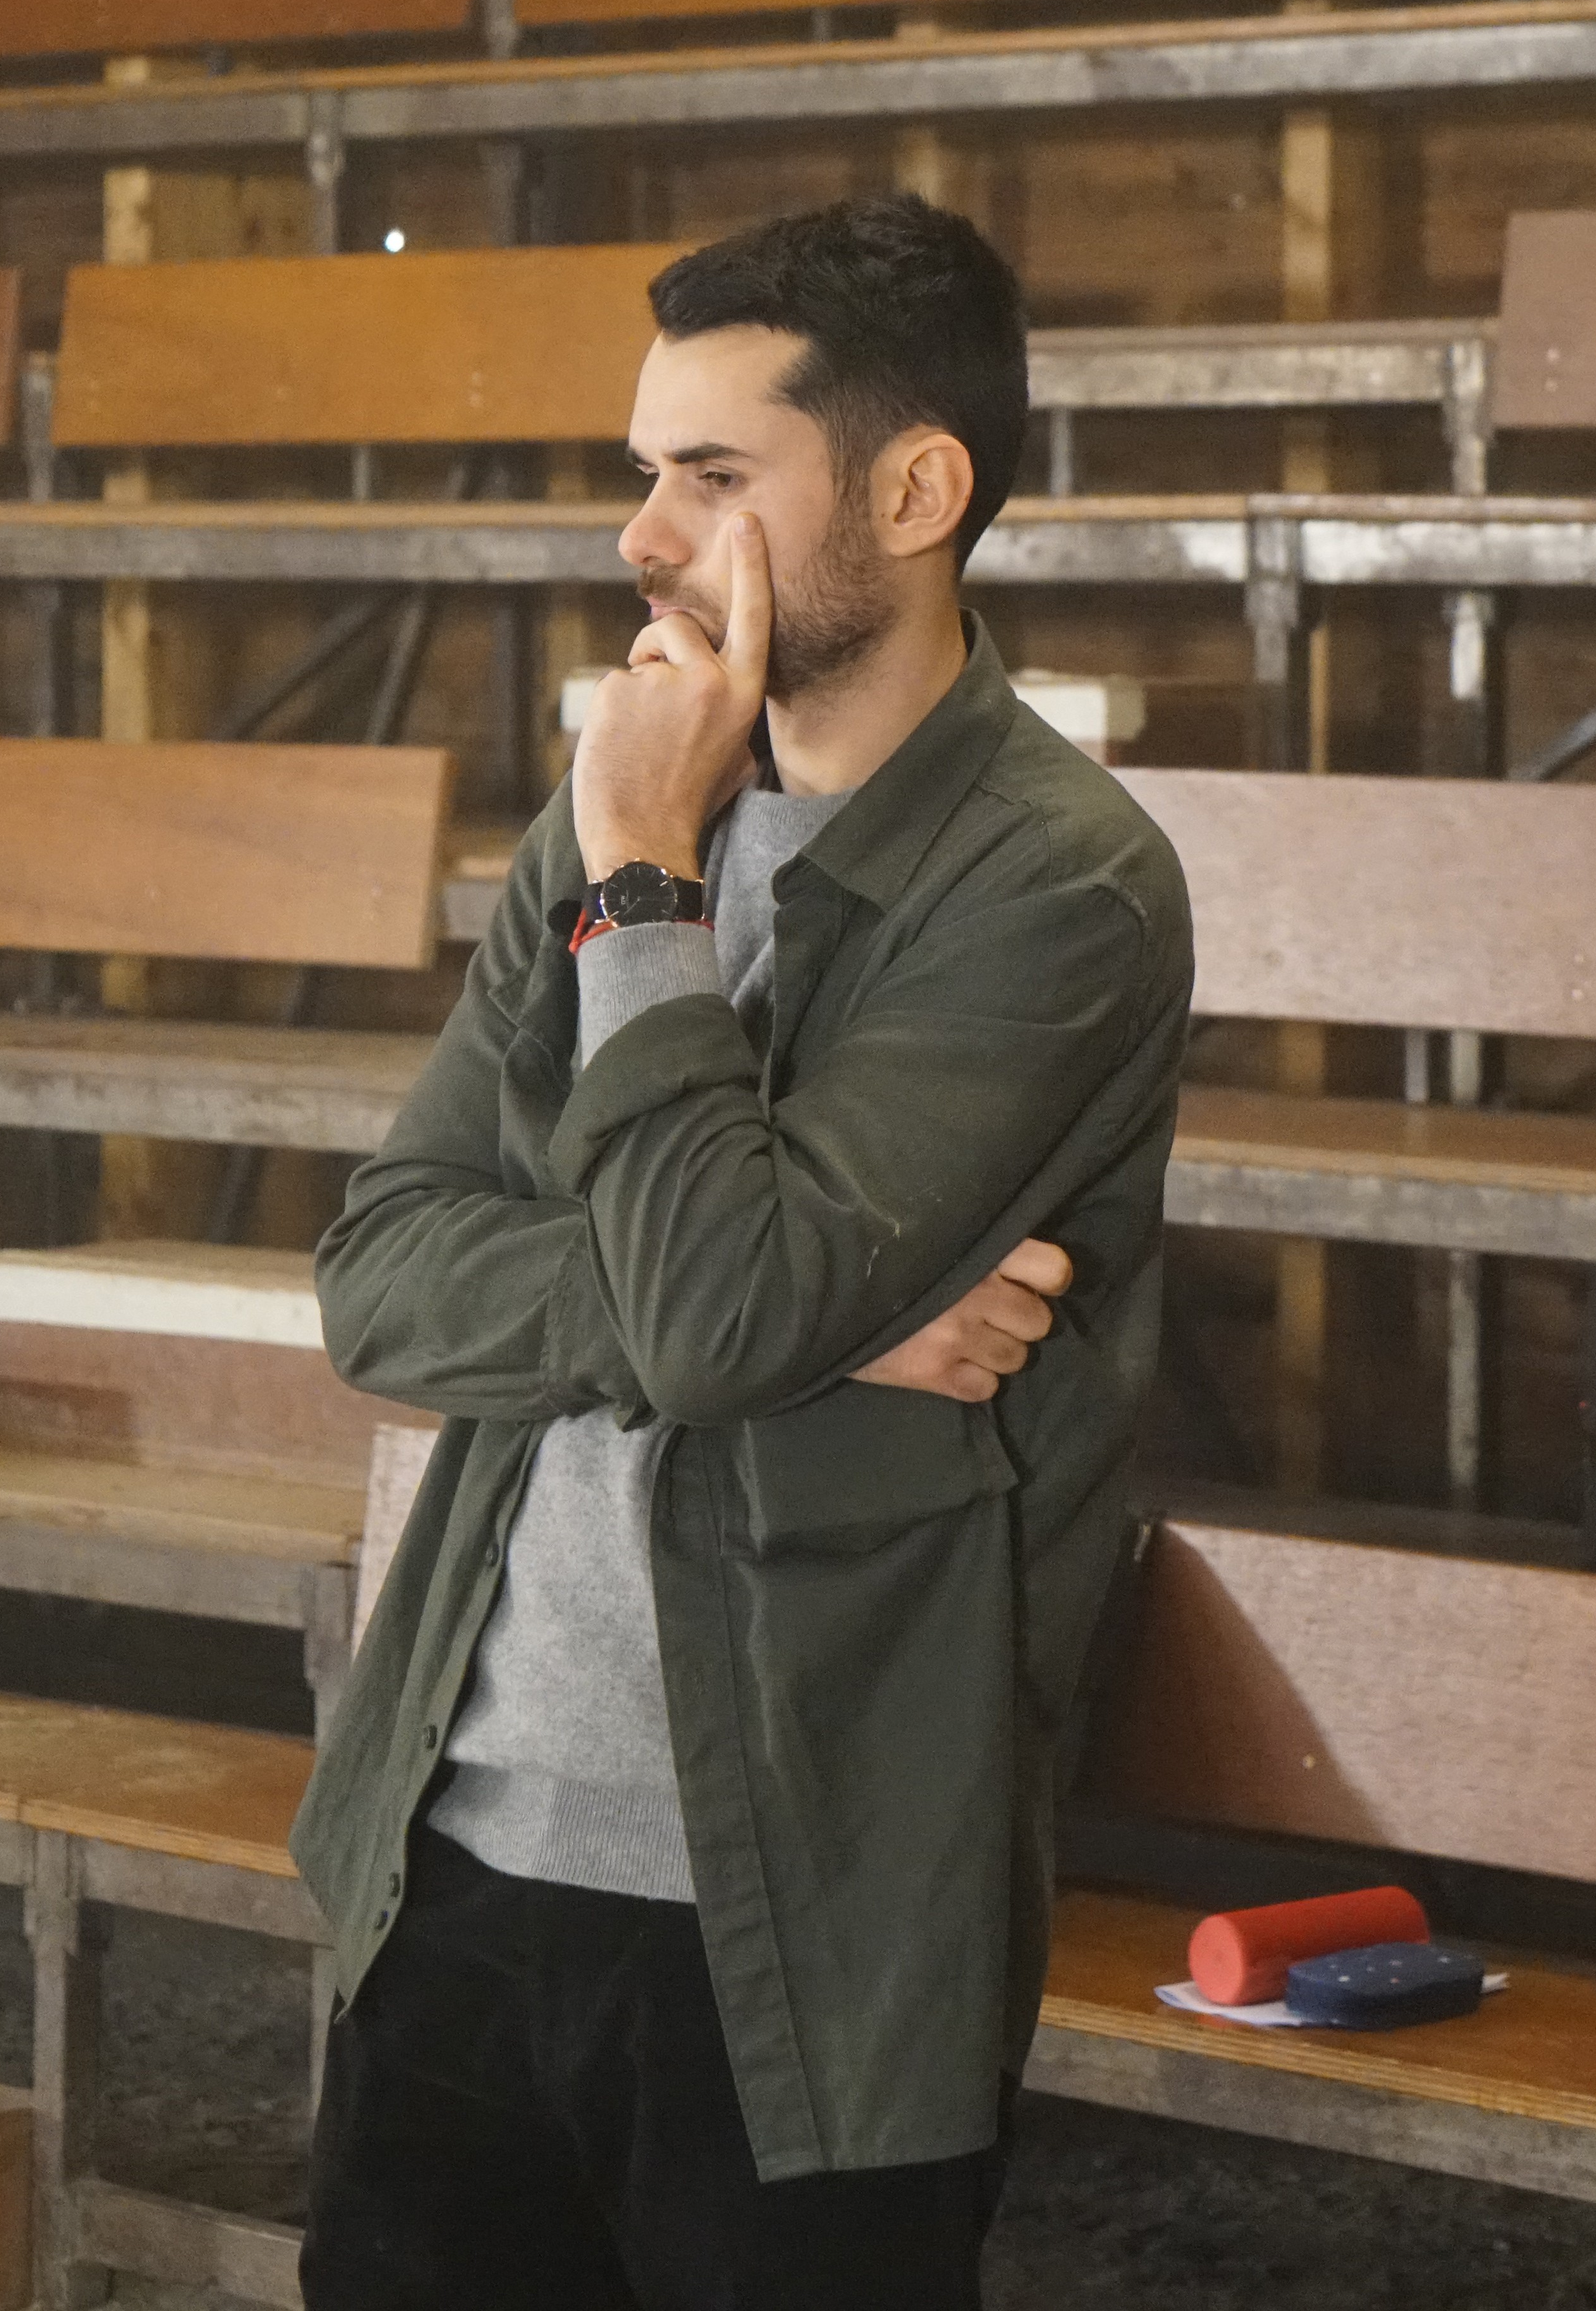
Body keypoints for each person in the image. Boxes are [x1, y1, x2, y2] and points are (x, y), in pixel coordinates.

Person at [292, 194, 1194, 2311]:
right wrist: (810, 1330)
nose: (644, 537)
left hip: (790, 1917)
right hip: (451, 1853)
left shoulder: (1057, 886)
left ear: (914, 488)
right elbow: (383, 1275)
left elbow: (714, 1322)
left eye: (713, 479)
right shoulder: (619, 805)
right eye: (643, 476)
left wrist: (640, 894)